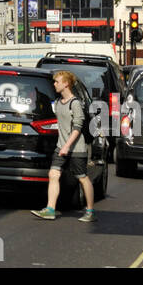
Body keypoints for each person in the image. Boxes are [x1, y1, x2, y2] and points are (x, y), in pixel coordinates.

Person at [32, 70, 96, 222]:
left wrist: (67, 146)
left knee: (82, 178)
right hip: (61, 146)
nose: (54, 84)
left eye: (57, 82)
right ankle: (50, 209)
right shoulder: (59, 103)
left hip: (76, 148)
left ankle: (90, 211)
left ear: (66, 84)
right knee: (53, 174)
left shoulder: (75, 103)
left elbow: (77, 127)